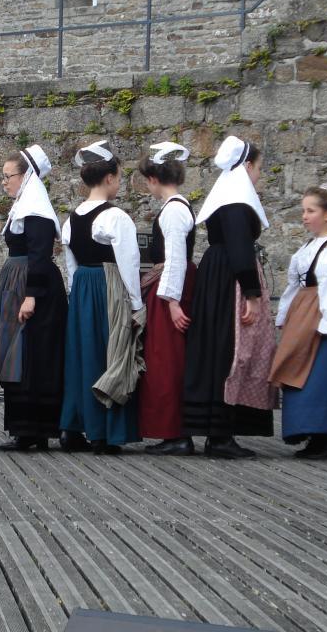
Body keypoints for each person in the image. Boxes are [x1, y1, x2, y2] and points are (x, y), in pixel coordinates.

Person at [184, 136, 277, 459]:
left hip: (218, 275)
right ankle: (220, 434)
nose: (259, 175)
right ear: (247, 166)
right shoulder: (237, 201)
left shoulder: (228, 197)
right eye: (259, 168)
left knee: (218, 348)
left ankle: (217, 429)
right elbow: (241, 250)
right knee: (229, 349)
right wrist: (251, 294)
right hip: (229, 280)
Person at [59, 141, 146, 455]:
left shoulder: (70, 221)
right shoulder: (115, 218)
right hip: (108, 285)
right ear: (109, 178)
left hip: (82, 285)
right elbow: (128, 264)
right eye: (120, 177)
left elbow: (71, 266)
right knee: (109, 354)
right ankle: (103, 433)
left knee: (81, 356)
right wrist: (136, 305)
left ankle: (73, 427)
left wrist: (76, 295)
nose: (120, 182)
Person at [0, 145, 67, 452]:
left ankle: (34, 428)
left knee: (32, 355)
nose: (5, 182)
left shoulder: (35, 209)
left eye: (9, 176)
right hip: (20, 285)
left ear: (27, 175)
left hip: (35, 290)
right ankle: (26, 428)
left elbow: (40, 255)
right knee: (20, 355)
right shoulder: (24, 205)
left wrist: (31, 296)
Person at [271, 183, 327, 460]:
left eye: (311, 211)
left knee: (322, 376)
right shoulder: (308, 247)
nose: (305, 216)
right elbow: (293, 286)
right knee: (298, 372)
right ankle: (312, 433)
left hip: (322, 315)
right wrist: (285, 315)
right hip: (304, 312)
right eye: (303, 211)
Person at [136, 142, 197, 456]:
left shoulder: (173, 211)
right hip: (170, 287)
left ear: (155, 179)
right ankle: (173, 431)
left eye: (148, 178)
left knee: (167, 361)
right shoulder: (176, 208)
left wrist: (172, 302)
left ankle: (176, 432)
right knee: (166, 359)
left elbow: (175, 259)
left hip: (170, 290)